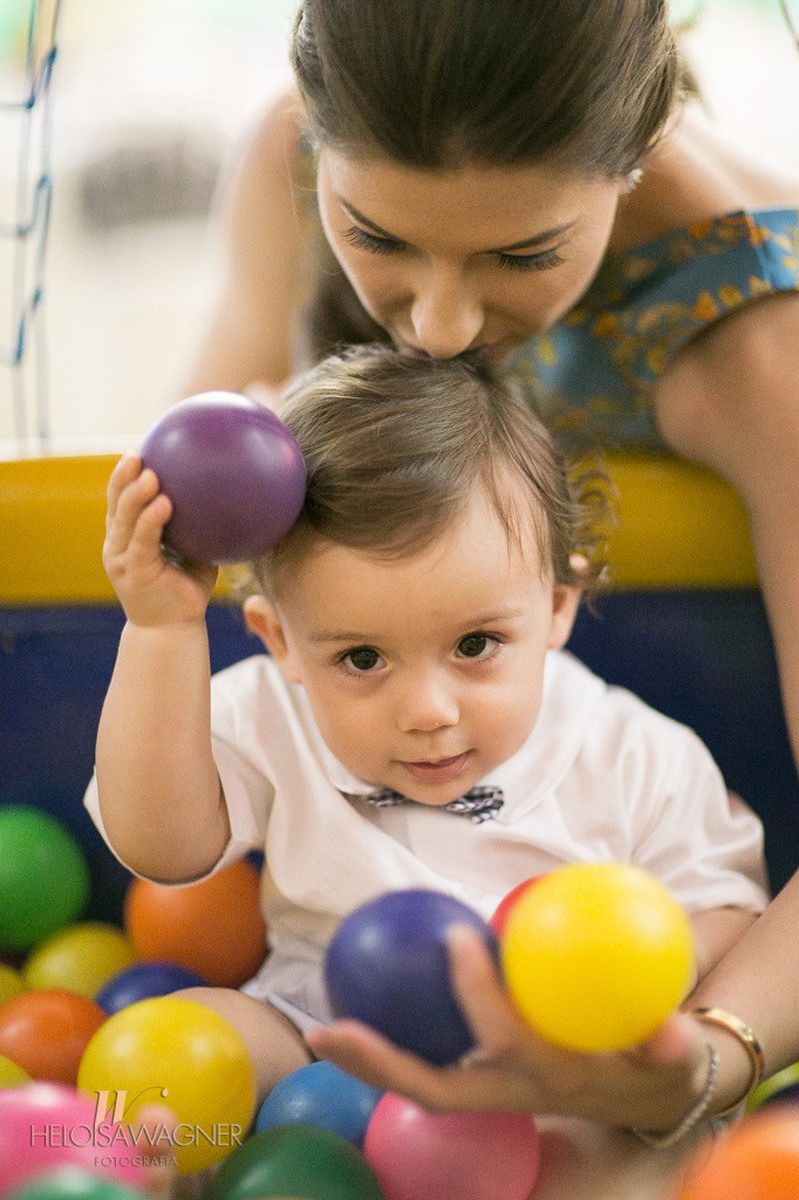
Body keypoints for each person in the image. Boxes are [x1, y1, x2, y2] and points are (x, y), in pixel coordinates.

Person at [176, 0, 799, 1156]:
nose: (443, 326)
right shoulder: (289, 154)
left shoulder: (766, 347)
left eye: (523, 254)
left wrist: (704, 1055)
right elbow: (203, 488)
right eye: (375, 234)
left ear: (634, 149)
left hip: (617, 869)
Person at [86, 348, 767, 1195]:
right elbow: (164, 848)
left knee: (606, 1145)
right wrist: (160, 633)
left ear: (557, 607)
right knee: (176, 1040)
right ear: (282, 642)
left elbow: (729, 910)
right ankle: (154, 1173)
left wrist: (616, 995)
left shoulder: (633, 753)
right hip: (314, 1030)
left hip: (537, 1068)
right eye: (363, 657)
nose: (429, 710)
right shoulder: (268, 712)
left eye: (475, 646)